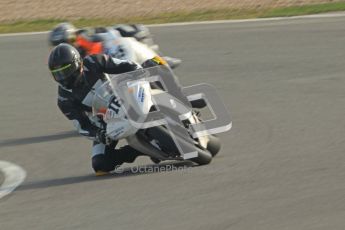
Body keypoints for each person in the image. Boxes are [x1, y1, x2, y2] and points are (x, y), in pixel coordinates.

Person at [48, 43, 144, 176]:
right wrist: (99, 134)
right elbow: (82, 126)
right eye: (57, 74)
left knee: (152, 67)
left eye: (65, 71)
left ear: (76, 63)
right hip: (106, 123)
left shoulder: (94, 62)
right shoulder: (64, 99)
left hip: (125, 97)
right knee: (100, 165)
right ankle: (138, 150)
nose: (63, 77)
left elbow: (126, 65)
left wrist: (136, 72)